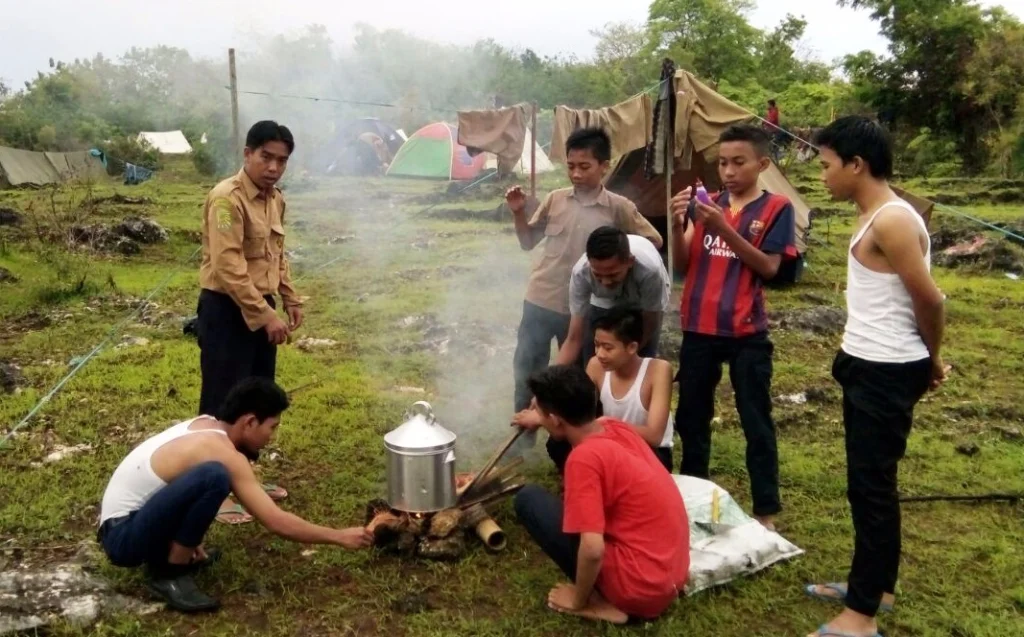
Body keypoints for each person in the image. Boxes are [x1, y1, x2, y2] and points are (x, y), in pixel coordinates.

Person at [803, 117, 947, 637]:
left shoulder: (891, 220)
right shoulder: (875, 215)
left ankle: (860, 616)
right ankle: (876, 587)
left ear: (856, 164)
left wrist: (930, 360)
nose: (821, 176)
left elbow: (930, 298)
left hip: (887, 368)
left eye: (825, 165)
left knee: (871, 488)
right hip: (867, 361)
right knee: (867, 485)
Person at [97, 378, 372, 613]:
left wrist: (181, 537)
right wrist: (339, 536)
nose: (272, 437)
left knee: (209, 476)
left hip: (123, 523)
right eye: (272, 427)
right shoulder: (224, 454)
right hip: (123, 539)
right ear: (250, 422)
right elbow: (275, 521)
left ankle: (175, 552)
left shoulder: (205, 424)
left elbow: (165, 491)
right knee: (215, 476)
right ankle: (170, 574)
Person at [669, 124, 798, 531]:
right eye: (722, 163)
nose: (727, 171)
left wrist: (723, 227)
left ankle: (766, 511)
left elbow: (770, 268)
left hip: (746, 333)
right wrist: (676, 224)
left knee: (755, 420)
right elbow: (683, 264)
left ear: (762, 164)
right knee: (692, 416)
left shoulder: (777, 208)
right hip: (698, 327)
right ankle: (693, 498)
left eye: (738, 162)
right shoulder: (708, 204)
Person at [506, 127, 662, 446]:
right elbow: (527, 241)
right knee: (527, 369)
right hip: (541, 297)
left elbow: (653, 241)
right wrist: (519, 213)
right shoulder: (555, 199)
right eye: (571, 166)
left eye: (585, 166)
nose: (576, 174)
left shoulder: (618, 208)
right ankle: (522, 440)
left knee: (574, 380)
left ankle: (570, 438)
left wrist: (620, 268)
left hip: (583, 309)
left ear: (604, 165)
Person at [512, 365, 688, 624]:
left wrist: (578, 601)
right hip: (671, 574)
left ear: (556, 419)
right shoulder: (615, 427)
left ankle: (607, 606)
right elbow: (571, 421)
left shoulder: (583, 459)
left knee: (529, 499)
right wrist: (542, 417)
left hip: (640, 589)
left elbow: (593, 549)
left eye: (539, 409)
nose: (536, 412)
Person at [197, 120, 303, 522]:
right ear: (247, 153)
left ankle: (245, 481)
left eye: (282, 160)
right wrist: (263, 315)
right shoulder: (227, 199)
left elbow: (278, 254)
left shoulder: (275, 199)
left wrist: (289, 297)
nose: (274, 167)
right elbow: (227, 267)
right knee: (223, 400)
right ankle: (216, 487)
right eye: (266, 157)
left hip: (264, 306)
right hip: (227, 309)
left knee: (255, 398)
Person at [536, 228, 670, 471]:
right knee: (595, 379)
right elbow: (574, 338)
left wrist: (629, 357)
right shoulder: (582, 274)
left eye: (612, 274)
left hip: (641, 305)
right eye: (599, 275)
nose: (606, 281)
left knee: (640, 375)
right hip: (601, 306)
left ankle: (626, 440)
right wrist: (545, 391)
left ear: (629, 262)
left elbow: (647, 328)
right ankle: (598, 457)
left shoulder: (649, 273)